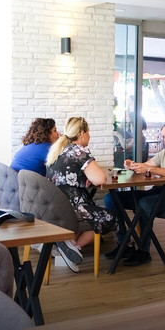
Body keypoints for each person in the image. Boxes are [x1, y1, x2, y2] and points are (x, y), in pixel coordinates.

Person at [103, 121, 165, 266]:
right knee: (111, 198)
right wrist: (132, 165)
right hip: (159, 191)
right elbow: (146, 165)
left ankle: (144, 251)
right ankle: (125, 244)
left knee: (144, 203)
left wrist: (150, 169)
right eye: (163, 136)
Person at [46, 117, 117, 273]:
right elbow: (101, 179)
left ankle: (67, 250)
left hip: (56, 207)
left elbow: (69, 176)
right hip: (72, 208)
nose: (89, 136)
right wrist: (91, 177)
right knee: (109, 218)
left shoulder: (59, 149)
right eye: (88, 132)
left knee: (92, 211)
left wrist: (85, 178)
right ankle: (73, 250)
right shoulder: (78, 151)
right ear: (82, 133)